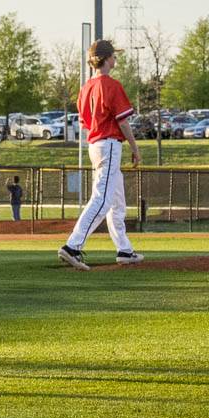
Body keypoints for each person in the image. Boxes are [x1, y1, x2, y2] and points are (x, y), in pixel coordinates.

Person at [58, 39, 145, 270]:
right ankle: (72, 247)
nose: (115, 59)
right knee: (103, 199)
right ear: (106, 59)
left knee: (117, 201)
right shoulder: (111, 85)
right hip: (109, 144)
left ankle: (124, 250)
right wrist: (135, 148)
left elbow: (85, 121)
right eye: (113, 56)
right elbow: (123, 122)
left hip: (95, 144)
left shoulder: (85, 88)